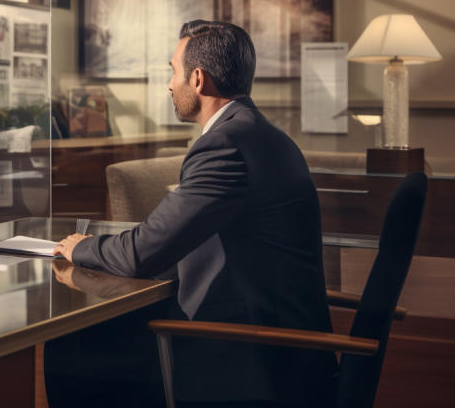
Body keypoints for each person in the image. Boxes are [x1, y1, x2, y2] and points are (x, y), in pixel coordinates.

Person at [50, 20, 336, 408]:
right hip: (281, 340)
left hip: (250, 352)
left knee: (73, 343)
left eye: (173, 70)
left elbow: (142, 251)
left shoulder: (225, 145)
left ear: (197, 79)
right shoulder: (265, 135)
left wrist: (81, 247)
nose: (170, 83)